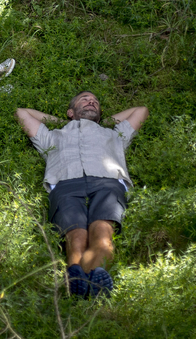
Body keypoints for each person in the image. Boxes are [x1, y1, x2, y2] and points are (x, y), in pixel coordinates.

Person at [15, 92, 149, 298]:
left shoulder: (114, 134)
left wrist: (98, 121)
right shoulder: (52, 136)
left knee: (103, 231)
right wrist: (66, 121)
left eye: (95, 102)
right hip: (65, 183)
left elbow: (141, 111)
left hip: (108, 181)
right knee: (75, 236)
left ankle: (86, 282)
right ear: (70, 111)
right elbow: (21, 112)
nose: (91, 101)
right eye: (85, 99)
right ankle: (80, 280)